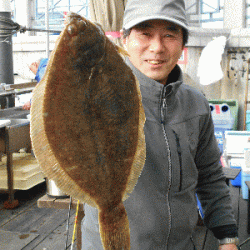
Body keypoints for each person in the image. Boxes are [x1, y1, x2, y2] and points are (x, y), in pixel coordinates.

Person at [81, 0, 238, 249]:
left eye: (169, 34)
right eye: (144, 33)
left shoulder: (196, 104)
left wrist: (226, 236)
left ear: (183, 44)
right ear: (124, 40)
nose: (157, 47)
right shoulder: (95, 97)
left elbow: (209, 175)